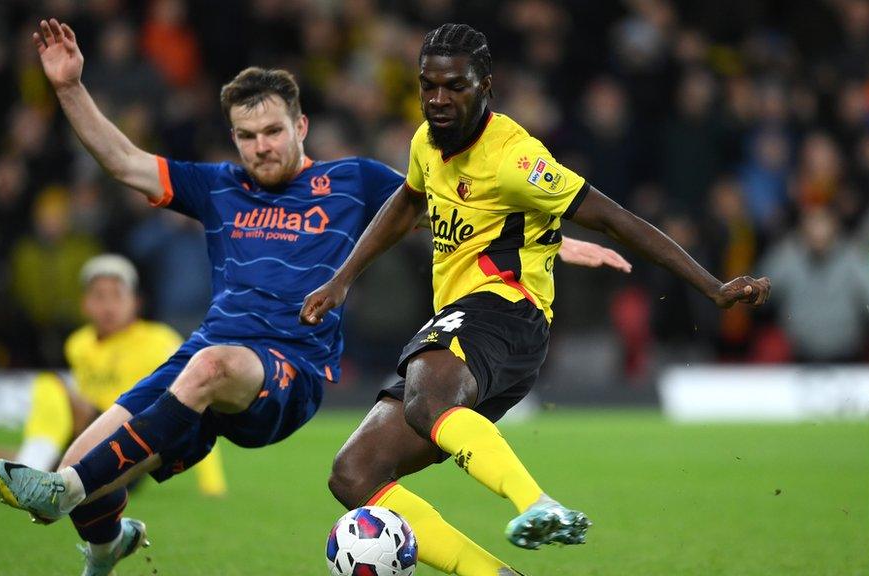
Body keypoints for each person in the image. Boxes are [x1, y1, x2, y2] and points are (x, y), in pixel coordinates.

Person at [0, 19, 630, 576]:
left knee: (152, 414)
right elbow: (125, 162)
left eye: (272, 131)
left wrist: (556, 245)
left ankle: (68, 485)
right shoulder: (216, 187)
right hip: (207, 357)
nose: (260, 146)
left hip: (287, 368)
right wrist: (70, 87)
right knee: (91, 473)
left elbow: (457, 203)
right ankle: (106, 546)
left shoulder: (350, 181)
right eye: (246, 136)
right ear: (232, 139)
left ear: (301, 125)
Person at [300, 23, 772, 576]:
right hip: (464, 324)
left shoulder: (517, 159)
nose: (437, 99)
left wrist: (713, 286)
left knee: (427, 397)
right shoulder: (426, 142)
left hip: (508, 311)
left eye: (454, 86)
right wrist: (343, 278)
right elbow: (407, 202)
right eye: (428, 85)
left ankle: (536, 503)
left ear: (486, 86)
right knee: (354, 473)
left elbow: (616, 219)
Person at [0, 254, 227, 502]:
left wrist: (212, 482)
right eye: (98, 295)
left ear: (136, 302)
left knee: (52, 387)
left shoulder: (159, 340)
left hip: (131, 451)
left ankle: (28, 473)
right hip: (83, 449)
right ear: (85, 305)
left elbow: (196, 401)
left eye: (117, 295)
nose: (108, 304)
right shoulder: (79, 343)